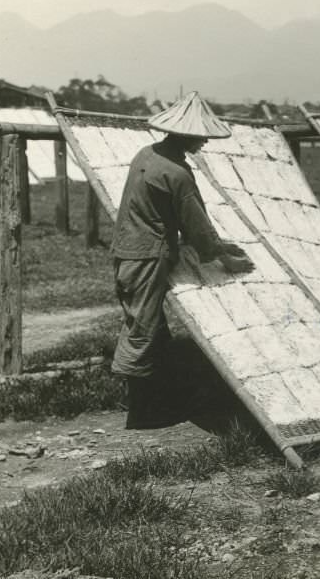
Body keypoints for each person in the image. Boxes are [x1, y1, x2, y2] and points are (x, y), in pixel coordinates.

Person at [111, 91, 254, 429]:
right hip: (146, 256)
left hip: (125, 250)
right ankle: (143, 411)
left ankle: (154, 399)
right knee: (143, 330)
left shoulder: (146, 155)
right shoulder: (177, 173)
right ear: (187, 135)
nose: (204, 141)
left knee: (147, 324)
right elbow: (198, 228)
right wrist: (225, 260)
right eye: (201, 135)